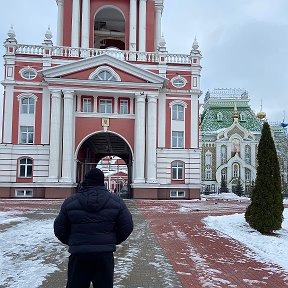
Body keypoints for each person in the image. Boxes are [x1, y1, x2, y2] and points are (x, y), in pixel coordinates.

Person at [54, 168, 133, 288]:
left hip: (79, 255)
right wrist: (110, 240)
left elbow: (59, 228)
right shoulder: (116, 201)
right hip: (104, 256)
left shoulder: (70, 202)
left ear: (85, 181)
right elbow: (127, 226)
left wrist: (73, 242)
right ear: (102, 181)